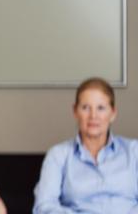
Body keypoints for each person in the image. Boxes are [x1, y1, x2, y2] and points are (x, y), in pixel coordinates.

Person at [33, 77, 138, 213]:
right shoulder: (58, 155)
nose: (93, 116)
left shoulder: (134, 151)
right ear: (75, 111)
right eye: (85, 108)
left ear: (112, 113)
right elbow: (43, 207)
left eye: (101, 108)